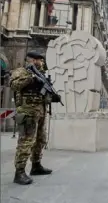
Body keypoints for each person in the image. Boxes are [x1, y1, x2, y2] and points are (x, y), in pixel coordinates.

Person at [10, 51, 52, 185]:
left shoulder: (41, 74)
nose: (43, 63)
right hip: (27, 112)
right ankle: (19, 172)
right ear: (33, 60)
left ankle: (36, 165)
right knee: (26, 141)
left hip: (40, 112)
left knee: (40, 139)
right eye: (41, 60)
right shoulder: (21, 71)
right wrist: (31, 78)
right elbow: (14, 85)